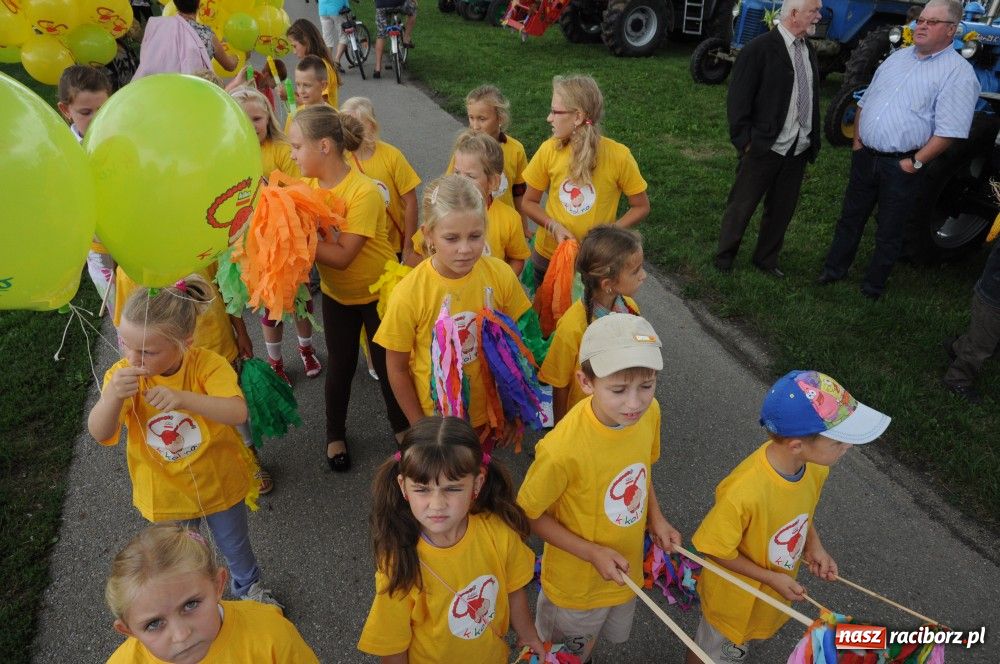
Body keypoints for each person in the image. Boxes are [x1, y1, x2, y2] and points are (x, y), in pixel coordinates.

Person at [88, 276, 279, 605]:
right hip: (166, 493)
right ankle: (190, 600)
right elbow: (100, 432)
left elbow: (236, 411)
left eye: (147, 351)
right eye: (125, 344)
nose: (132, 359)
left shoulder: (207, 365)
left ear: (185, 343)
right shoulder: (121, 377)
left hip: (218, 482)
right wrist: (112, 398)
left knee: (235, 545)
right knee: (176, 557)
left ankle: (249, 590)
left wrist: (183, 398)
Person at [687, 370, 891, 663]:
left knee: (733, 652)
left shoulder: (815, 468)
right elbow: (714, 549)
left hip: (769, 593)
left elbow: (801, 510)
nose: (848, 447)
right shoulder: (744, 492)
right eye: (838, 442)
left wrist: (814, 545)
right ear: (796, 445)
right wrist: (770, 577)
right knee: (711, 651)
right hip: (735, 600)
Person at [517, 314, 681, 663]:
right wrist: (591, 552)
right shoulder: (561, 450)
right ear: (585, 382)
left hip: (623, 570)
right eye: (618, 390)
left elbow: (640, 471)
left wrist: (656, 518)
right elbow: (528, 515)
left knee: (586, 646)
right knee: (562, 652)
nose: (634, 403)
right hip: (577, 586)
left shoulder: (650, 414)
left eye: (647, 385)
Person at [818, 0, 979, 299]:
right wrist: (858, 142)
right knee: (850, 217)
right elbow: (866, 100)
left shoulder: (958, 74)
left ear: (951, 30)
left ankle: (873, 286)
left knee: (890, 230)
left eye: (932, 22)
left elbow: (950, 132)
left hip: (901, 165)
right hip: (866, 156)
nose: (922, 26)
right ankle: (833, 269)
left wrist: (914, 163)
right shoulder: (897, 58)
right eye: (922, 20)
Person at [358, 416, 546, 662]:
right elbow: (394, 646)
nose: (437, 505)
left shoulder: (498, 532)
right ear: (403, 487)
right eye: (422, 489)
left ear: (477, 483)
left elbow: (513, 590)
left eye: (453, 488)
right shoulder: (400, 563)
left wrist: (529, 636)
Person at [288, 105, 409, 472]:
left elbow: (342, 256)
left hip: (378, 295)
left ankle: (403, 428)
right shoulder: (308, 188)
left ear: (324, 146)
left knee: (390, 368)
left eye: (297, 147)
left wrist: (295, 238)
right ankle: (334, 434)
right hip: (338, 296)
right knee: (340, 365)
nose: (292, 155)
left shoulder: (363, 192)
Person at [374, 175, 533, 439]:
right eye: (451, 238)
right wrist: (420, 427)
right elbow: (397, 368)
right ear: (428, 235)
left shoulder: (501, 275)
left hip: (488, 412)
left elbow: (516, 343)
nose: (465, 249)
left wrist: (511, 408)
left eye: (475, 236)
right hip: (437, 421)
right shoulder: (409, 293)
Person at [713, 0, 822, 278]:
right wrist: (745, 142)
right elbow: (738, 100)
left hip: (798, 147)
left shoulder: (808, 49)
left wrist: (810, 137)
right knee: (742, 205)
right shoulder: (758, 49)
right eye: (814, 11)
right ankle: (724, 257)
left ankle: (766, 259)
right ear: (794, 14)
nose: (818, 17)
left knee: (782, 209)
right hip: (763, 146)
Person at [105, 524, 318, 663]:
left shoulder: (271, 634)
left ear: (218, 584)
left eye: (191, 604)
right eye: (153, 624)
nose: (181, 635)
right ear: (128, 630)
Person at [231, 87, 322, 387]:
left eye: (257, 118)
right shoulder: (230, 153)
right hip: (255, 244)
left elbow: (302, 188)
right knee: (271, 306)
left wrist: (272, 190)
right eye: (244, 119)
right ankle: (276, 361)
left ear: (268, 118)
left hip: (288, 241)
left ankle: (306, 349)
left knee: (300, 298)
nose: (252, 125)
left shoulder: (281, 149)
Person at [521, 75, 649, 285]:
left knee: (588, 307)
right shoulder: (549, 150)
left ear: (578, 116)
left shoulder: (619, 156)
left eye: (555, 111)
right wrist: (554, 227)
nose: (549, 118)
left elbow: (641, 206)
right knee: (543, 306)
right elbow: (529, 202)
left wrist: (608, 234)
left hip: (594, 263)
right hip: (549, 258)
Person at [539, 225, 644, 424]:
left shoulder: (630, 308)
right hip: (585, 419)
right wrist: (562, 429)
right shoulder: (572, 326)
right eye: (635, 271)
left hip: (622, 412)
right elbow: (559, 385)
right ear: (608, 284)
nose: (643, 275)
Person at [410, 131, 530, 275]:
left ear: (493, 182)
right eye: (456, 173)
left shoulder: (510, 219)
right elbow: (417, 255)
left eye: (470, 176)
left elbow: (516, 258)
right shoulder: (442, 212)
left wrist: (502, 282)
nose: (460, 180)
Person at [58, 65, 115, 312]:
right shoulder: (65, 153)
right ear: (66, 110)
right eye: (86, 112)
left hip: (132, 230)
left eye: (102, 109)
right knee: (118, 304)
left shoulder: (119, 138)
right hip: (98, 245)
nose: (96, 117)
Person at [341, 96, 421, 260]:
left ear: (371, 125)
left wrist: (408, 246)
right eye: (345, 125)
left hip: (394, 244)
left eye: (355, 125)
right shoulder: (341, 160)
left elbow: (411, 202)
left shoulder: (392, 156)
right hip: (362, 248)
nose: (349, 131)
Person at [445, 85, 529, 229]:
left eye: (482, 119)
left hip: (504, 224)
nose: (475, 126)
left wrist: (523, 226)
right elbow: (449, 185)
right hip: (470, 221)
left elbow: (519, 192)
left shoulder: (516, 149)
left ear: (500, 118)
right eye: (471, 118)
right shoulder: (465, 150)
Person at [942, 240, 1000, 403]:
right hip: (995, 299)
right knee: (983, 342)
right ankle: (957, 379)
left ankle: (958, 347)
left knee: (987, 339)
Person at [133, 0, 237, 78]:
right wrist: (237, 57)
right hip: (190, 94)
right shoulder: (207, 34)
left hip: (155, 91)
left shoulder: (157, 27)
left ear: (175, 4)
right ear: (199, 4)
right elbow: (230, 66)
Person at [287, 18, 341, 109]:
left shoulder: (322, 66)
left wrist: (290, 96)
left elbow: (319, 105)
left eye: (295, 46)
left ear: (306, 41)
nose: (294, 52)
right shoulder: (319, 63)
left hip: (323, 117)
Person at [285, 55, 331, 134]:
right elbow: (287, 141)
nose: (301, 91)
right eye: (298, 84)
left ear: (323, 86)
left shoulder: (335, 117)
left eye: (307, 85)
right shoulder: (293, 117)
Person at [372, 0, 417, 79]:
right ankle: (406, 38)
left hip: (381, 6)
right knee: (413, 11)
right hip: (398, 3)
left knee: (381, 35)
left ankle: (378, 67)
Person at [318, 0, 351, 71]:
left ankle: (329, 64)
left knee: (327, 38)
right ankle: (337, 60)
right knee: (344, 35)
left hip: (323, 10)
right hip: (337, 8)